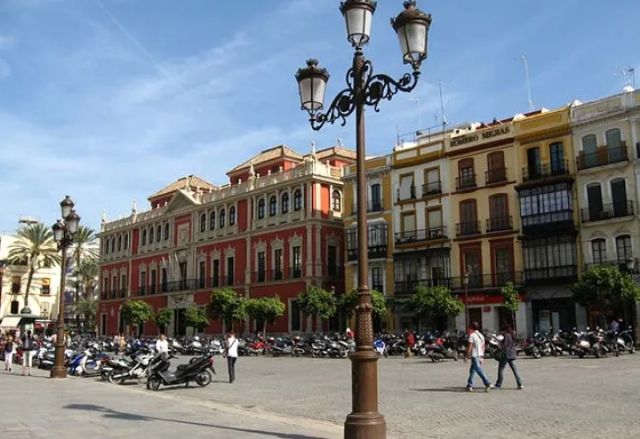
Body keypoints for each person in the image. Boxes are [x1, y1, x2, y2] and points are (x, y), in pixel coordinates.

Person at [464, 322, 492, 392]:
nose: (468, 329)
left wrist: (466, 356)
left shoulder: (472, 335)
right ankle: (469, 385)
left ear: (471, 328)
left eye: (469, 328)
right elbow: (483, 346)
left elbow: (470, 347)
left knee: (478, 370)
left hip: (474, 355)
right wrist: (482, 356)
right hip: (479, 355)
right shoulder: (481, 335)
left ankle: (487, 383)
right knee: (472, 370)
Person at [495, 325, 523, 390]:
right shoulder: (511, 335)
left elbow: (504, 346)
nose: (501, 332)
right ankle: (520, 384)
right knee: (514, 370)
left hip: (506, 354)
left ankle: (498, 384)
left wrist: (499, 343)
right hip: (512, 354)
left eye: (502, 331)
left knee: (501, 370)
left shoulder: (506, 335)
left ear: (504, 330)